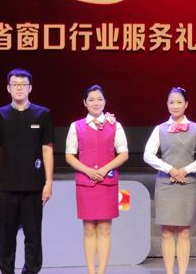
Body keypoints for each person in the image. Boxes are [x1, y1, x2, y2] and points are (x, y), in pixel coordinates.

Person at [0, 68, 54, 274]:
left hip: (34, 186)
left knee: (33, 235)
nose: (19, 88)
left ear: (30, 88)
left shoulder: (42, 114)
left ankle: (31, 270)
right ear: (8, 88)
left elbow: (47, 149)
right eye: (15, 85)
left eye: (23, 85)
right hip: (6, 186)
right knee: (6, 236)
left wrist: (48, 182)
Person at [143, 87, 196, 274]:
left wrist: (185, 170)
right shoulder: (160, 129)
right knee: (166, 231)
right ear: (167, 104)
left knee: (184, 231)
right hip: (166, 184)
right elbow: (148, 155)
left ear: (186, 104)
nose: (175, 106)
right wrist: (170, 170)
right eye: (171, 102)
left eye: (179, 102)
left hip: (186, 184)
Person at [66, 84, 129, 274]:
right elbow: (70, 156)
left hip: (107, 182)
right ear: (84, 103)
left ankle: (101, 271)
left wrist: (104, 169)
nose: (96, 103)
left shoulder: (115, 125)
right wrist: (88, 171)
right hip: (85, 183)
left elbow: (123, 154)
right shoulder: (76, 126)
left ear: (105, 102)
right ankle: (90, 271)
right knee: (88, 229)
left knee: (104, 228)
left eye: (99, 99)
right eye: (91, 99)